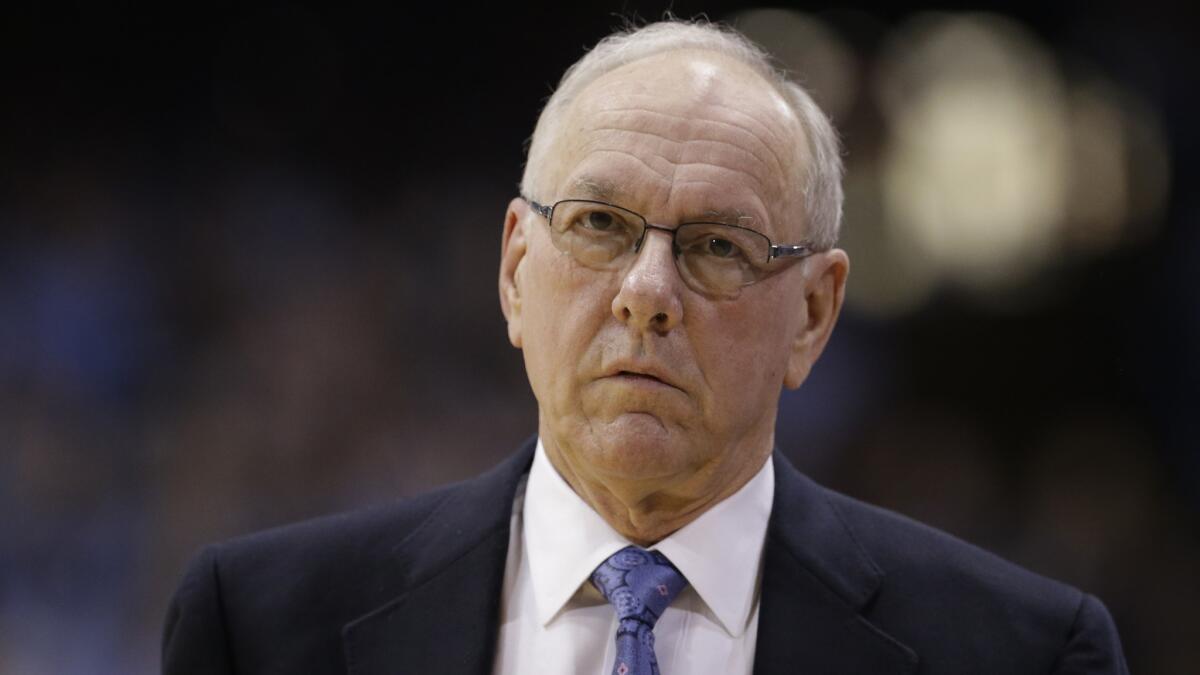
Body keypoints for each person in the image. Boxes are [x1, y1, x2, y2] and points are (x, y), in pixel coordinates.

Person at [162, 20, 1128, 675]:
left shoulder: (1023, 653)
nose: (646, 293)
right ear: (513, 270)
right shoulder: (260, 626)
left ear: (813, 313)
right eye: (598, 224)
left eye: (717, 247)